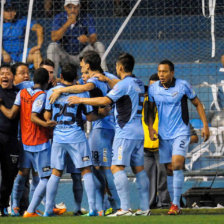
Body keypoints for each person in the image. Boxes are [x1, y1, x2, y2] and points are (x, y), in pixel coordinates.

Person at [67, 53, 150, 216]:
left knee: (115, 167)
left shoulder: (122, 84)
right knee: (139, 169)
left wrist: (80, 100)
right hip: (139, 131)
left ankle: (124, 208)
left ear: (120, 67)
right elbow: (121, 86)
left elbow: (105, 101)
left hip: (125, 131)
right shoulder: (138, 82)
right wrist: (107, 80)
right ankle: (145, 207)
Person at [48, 51, 120, 215]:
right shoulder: (106, 76)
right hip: (105, 126)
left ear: (88, 65)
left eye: (82, 65)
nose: (81, 69)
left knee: (102, 168)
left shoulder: (93, 80)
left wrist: (59, 90)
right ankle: (104, 206)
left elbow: (84, 87)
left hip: (102, 127)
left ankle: (116, 207)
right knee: (98, 168)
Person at [148, 59, 210, 215]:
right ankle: (173, 203)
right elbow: (149, 109)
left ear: (172, 73)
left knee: (176, 164)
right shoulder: (153, 89)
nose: (161, 74)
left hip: (180, 132)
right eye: (159, 71)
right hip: (163, 135)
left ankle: (175, 204)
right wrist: (150, 128)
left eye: (165, 71)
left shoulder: (183, 85)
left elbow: (197, 103)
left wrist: (205, 125)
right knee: (169, 169)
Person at [0, 68, 57, 217]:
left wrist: (0, 106)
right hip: (40, 142)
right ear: (46, 82)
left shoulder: (21, 93)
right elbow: (34, 117)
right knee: (45, 177)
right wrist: (47, 124)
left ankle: (15, 207)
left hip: (24, 142)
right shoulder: (42, 95)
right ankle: (35, 210)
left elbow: (12, 114)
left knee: (22, 174)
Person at [43, 63, 97, 217]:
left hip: (59, 136)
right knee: (86, 170)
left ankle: (47, 210)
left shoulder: (52, 92)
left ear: (60, 77)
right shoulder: (82, 94)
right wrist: (102, 113)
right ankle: (92, 208)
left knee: (56, 172)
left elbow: (47, 117)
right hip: (76, 136)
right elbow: (89, 117)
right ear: (76, 78)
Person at [47, 0, 107, 77]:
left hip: (82, 55)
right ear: (65, 8)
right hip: (65, 55)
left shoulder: (86, 17)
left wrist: (87, 39)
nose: (72, 10)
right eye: (70, 7)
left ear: (79, 7)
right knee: (52, 46)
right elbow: (54, 38)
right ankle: (52, 79)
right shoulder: (59, 17)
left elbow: (94, 37)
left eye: (75, 7)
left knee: (99, 45)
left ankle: (104, 75)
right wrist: (68, 23)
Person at [143, 73, 171, 209]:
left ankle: (165, 203)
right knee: (148, 178)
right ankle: (150, 204)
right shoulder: (143, 101)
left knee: (162, 178)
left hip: (161, 146)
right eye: (150, 86)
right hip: (146, 146)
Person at [0, 64, 20, 216]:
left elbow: (13, 115)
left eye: (7, 73)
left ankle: (2, 206)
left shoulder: (18, 94)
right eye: (1, 73)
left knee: (10, 174)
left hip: (12, 139)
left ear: (13, 77)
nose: (4, 76)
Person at [2, 2, 43, 69]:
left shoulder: (21, 21)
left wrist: (38, 46)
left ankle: (40, 78)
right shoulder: (1, 23)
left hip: (22, 54)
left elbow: (39, 28)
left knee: (37, 53)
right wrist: (3, 53)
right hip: (5, 54)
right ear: (2, 12)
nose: (10, 13)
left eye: (12, 10)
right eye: (7, 11)